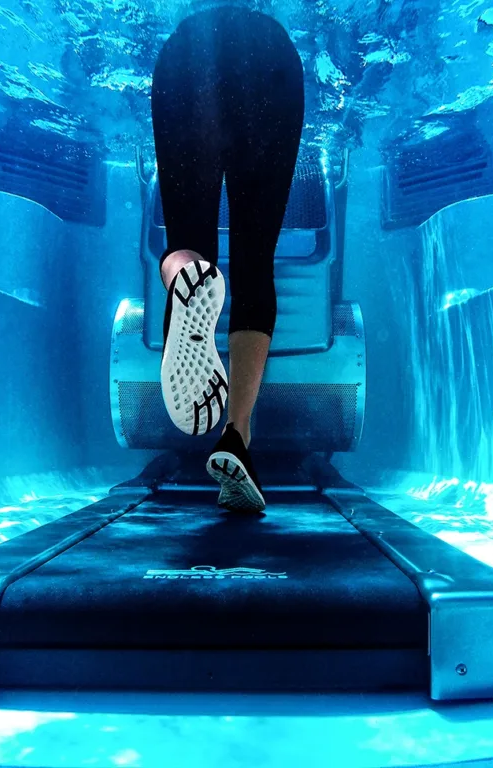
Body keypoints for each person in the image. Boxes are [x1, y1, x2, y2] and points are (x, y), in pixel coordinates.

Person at [150, 0, 304, 513]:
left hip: (189, 57)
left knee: (188, 241)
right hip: (273, 60)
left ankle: (185, 274)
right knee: (255, 259)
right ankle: (237, 436)